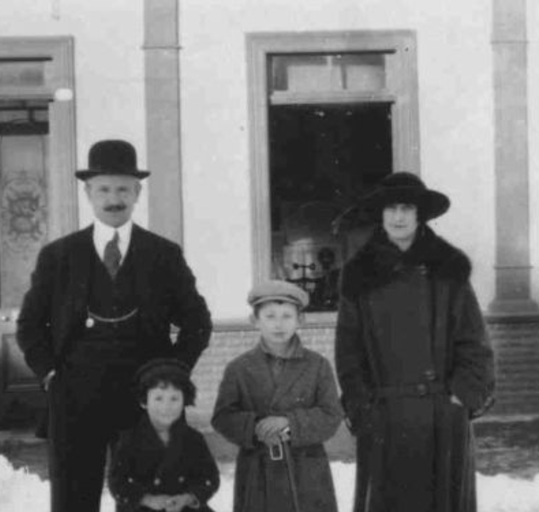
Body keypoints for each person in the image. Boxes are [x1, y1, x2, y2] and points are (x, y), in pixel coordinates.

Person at [16, 139, 213, 512]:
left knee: (148, 498)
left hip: (145, 403)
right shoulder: (59, 256)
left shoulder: (163, 254)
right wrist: (51, 375)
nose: (113, 198)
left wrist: (171, 376)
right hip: (75, 397)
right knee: (73, 498)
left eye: (123, 188)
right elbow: (29, 326)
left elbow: (197, 323)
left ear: (137, 192)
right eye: (103, 189)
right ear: (88, 193)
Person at [334, 172, 496, 512]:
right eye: (391, 208)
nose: (398, 217)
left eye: (406, 207)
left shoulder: (447, 268)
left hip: (440, 414)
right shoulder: (360, 273)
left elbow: (474, 341)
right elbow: (349, 350)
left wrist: (461, 395)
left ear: (420, 213)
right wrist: (362, 406)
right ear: (380, 214)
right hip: (384, 416)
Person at [212, 280, 343, 512]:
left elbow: (331, 415)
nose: (278, 324)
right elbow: (223, 417)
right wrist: (255, 427)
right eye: (270, 316)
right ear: (255, 321)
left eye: (287, 316)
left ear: (300, 320)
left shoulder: (317, 365)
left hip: (307, 470)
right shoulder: (239, 368)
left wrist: (289, 423)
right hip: (257, 470)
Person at [109, 358, 220, 512]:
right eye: (158, 398)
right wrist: (147, 499)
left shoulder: (193, 439)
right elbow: (118, 483)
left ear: (184, 401)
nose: (166, 406)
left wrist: (188, 498)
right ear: (144, 401)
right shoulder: (129, 440)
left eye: (174, 399)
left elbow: (209, 478)